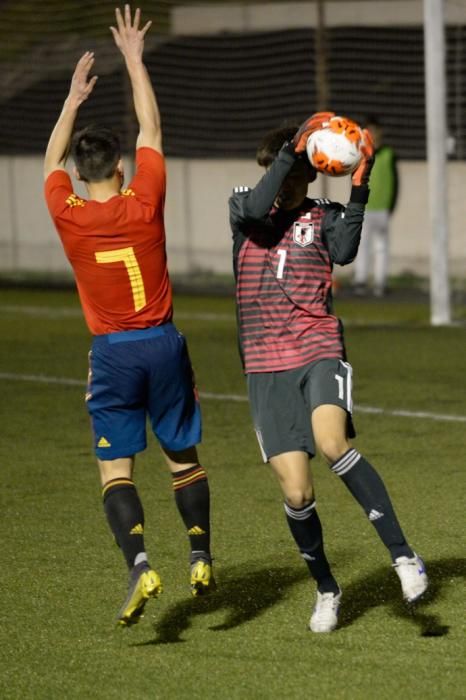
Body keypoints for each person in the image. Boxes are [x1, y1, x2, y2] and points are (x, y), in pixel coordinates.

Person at [44, 5, 215, 627]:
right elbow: (152, 129)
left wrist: (70, 99)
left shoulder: (66, 211)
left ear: (75, 175)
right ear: (119, 169)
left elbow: (49, 164)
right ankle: (200, 555)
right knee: (183, 454)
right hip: (165, 344)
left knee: (115, 466)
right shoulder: (144, 201)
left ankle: (140, 563)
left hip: (113, 353)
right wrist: (137, 61)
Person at [228, 112, 427, 633]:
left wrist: (359, 189)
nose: (281, 182)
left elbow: (344, 251)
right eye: (276, 170)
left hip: (317, 347)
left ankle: (403, 557)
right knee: (297, 494)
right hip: (265, 365)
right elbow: (254, 203)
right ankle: (326, 590)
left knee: (333, 443)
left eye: (293, 172)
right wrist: (291, 149)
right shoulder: (244, 209)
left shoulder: (325, 215)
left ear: (312, 174)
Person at [353, 115, 398, 297]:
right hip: (364, 207)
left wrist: (392, 204)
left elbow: (395, 181)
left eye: (375, 130)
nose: (373, 134)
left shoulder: (389, 154)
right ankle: (361, 279)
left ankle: (380, 282)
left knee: (381, 247)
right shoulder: (360, 153)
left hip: (382, 208)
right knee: (362, 245)